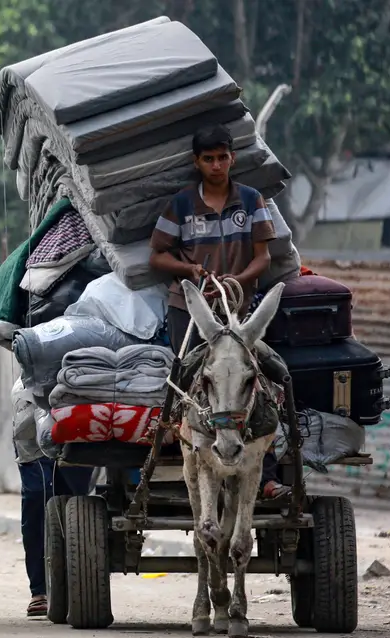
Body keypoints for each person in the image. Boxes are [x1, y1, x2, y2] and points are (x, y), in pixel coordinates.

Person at [148, 123, 288, 501]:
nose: (216, 165)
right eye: (208, 159)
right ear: (197, 162)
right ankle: (193, 457)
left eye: (222, 157)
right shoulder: (180, 204)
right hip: (191, 312)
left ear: (232, 158)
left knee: (262, 384)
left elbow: (264, 257)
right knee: (189, 382)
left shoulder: (250, 200)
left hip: (241, 314)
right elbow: (157, 255)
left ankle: (268, 473)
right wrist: (191, 270)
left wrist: (237, 280)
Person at [17, 456, 95, 617]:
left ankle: (74, 586)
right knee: (38, 497)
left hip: (76, 437)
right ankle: (40, 590)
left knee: (76, 499)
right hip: (33, 439)